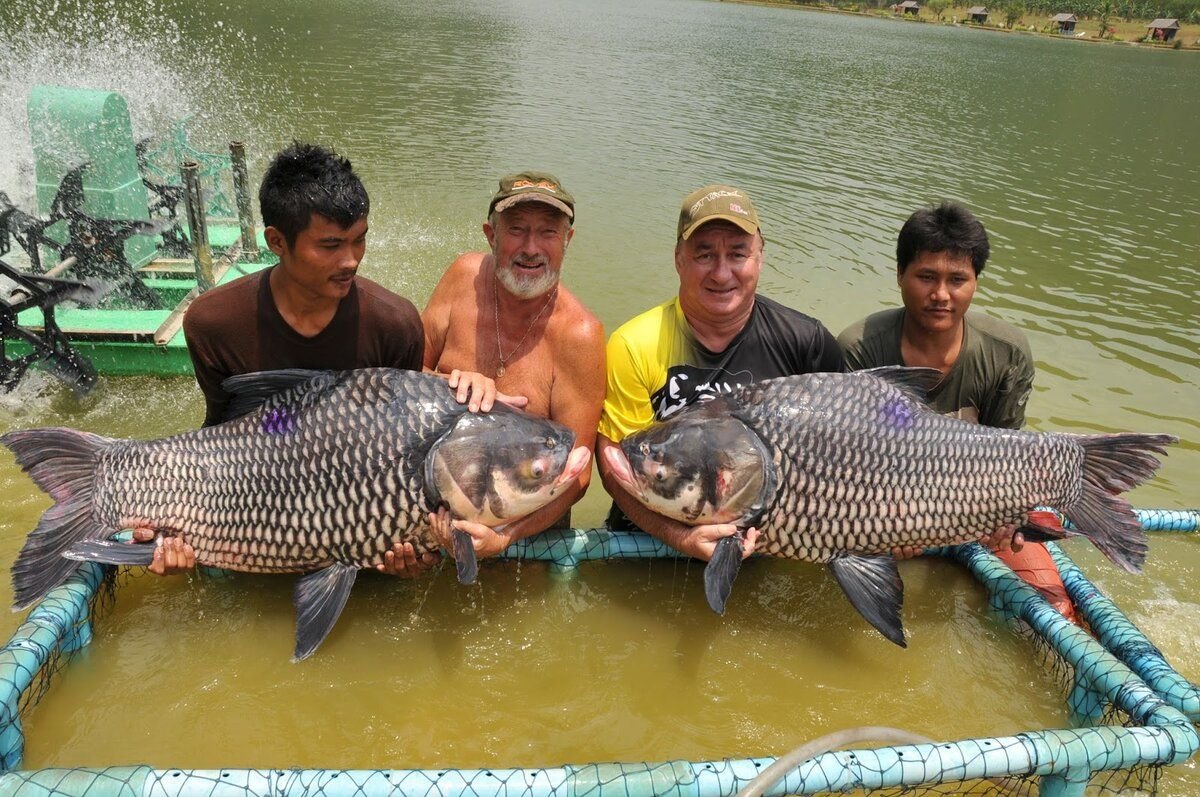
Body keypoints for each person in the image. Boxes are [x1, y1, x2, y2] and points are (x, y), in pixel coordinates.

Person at [138, 142, 496, 576]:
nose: (350, 260)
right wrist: (179, 527)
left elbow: (399, 448)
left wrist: (409, 543)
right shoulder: (213, 322)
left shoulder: (395, 323)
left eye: (359, 239)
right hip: (254, 498)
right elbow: (225, 435)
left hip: (357, 519)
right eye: (329, 246)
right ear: (277, 241)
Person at [837, 200, 1076, 621]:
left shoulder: (1006, 351)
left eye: (957, 279)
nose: (941, 295)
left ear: (976, 282)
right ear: (900, 275)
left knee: (1056, 608)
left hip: (978, 511)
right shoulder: (859, 350)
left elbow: (1010, 451)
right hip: (879, 515)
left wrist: (1008, 517)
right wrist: (890, 525)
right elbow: (840, 467)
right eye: (926, 276)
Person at [595, 184, 845, 561]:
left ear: (760, 258)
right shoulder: (634, 344)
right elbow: (617, 465)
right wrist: (679, 538)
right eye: (705, 254)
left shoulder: (806, 343)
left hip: (774, 539)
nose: (722, 272)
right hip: (650, 541)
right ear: (679, 259)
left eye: (738, 254)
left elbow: (854, 450)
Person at [416, 171, 605, 570]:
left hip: (524, 539)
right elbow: (402, 374)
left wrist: (503, 538)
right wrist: (448, 383)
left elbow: (578, 475)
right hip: (428, 514)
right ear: (491, 235)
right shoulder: (462, 277)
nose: (531, 248)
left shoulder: (581, 335)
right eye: (516, 230)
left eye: (548, 233)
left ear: (567, 240)